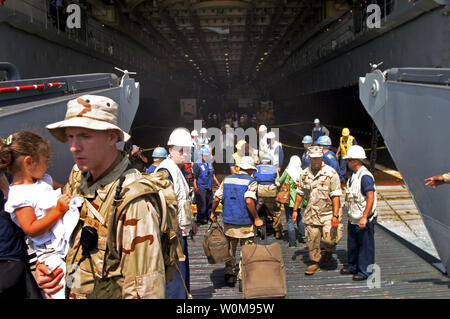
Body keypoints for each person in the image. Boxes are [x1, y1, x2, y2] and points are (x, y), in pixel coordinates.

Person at [38, 94, 166, 299]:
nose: (74, 146)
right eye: (70, 136)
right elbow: (64, 235)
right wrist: (47, 265)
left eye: (85, 136)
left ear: (111, 137)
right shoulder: (78, 175)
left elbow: (145, 291)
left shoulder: (133, 200)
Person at [1, 131, 81, 299]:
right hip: (51, 255)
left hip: (67, 245)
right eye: (45, 160)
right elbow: (31, 228)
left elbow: (67, 189)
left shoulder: (44, 180)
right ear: (29, 162)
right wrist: (58, 211)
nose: (48, 165)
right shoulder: (19, 196)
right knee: (63, 290)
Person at [210, 156, 263, 287]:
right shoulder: (251, 182)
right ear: (251, 169)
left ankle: (229, 273)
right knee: (247, 250)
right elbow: (249, 200)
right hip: (245, 222)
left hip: (229, 220)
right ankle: (243, 276)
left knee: (230, 249)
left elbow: (217, 198)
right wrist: (256, 218)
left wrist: (212, 213)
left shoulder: (227, 179)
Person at [292, 146, 343, 275]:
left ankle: (329, 251)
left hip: (329, 213)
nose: (316, 161)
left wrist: (335, 216)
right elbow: (300, 192)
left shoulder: (331, 173)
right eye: (313, 158)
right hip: (312, 213)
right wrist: (295, 210)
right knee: (313, 239)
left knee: (329, 240)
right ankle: (315, 262)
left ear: (322, 158)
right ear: (309, 158)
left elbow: (336, 195)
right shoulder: (304, 174)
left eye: (318, 158)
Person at [155, 128, 193, 299]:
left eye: (187, 150)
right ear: (171, 150)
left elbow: (182, 199)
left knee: (181, 272)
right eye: (181, 150)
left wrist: (192, 222)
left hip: (179, 231)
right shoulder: (166, 171)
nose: (185, 154)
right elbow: (162, 204)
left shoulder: (177, 170)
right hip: (171, 234)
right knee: (175, 274)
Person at [340, 145, 377, 281]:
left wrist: (364, 217)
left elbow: (371, 197)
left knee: (365, 246)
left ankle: (365, 271)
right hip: (353, 217)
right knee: (353, 243)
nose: (347, 163)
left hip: (362, 218)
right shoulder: (354, 175)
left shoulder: (365, 176)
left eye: (348, 160)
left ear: (355, 161)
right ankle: (354, 266)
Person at [279, 156, 306, 247]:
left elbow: (280, 181)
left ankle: (292, 243)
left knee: (290, 220)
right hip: (299, 199)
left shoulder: (288, 171)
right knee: (299, 217)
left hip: (289, 199)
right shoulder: (302, 172)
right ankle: (303, 236)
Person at [254, 154, 283, 239]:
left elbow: (253, 180)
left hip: (259, 193)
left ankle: (252, 230)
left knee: (254, 212)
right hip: (271, 193)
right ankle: (277, 231)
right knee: (276, 213)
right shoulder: (274, 169)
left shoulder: (256, 168)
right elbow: (277, 182)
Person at [193, 147, 220, 225]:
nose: (206, 157)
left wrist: (218, 184)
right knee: (202, 204)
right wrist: (196, 188)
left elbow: (213, 175)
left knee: (209, 202)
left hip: (208, 187)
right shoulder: (197, 165)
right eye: (205, 156)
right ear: (201, 155)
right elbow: (195, 178)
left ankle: (209, 216)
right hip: (201, 187)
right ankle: (201, 218)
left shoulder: (209, 163)